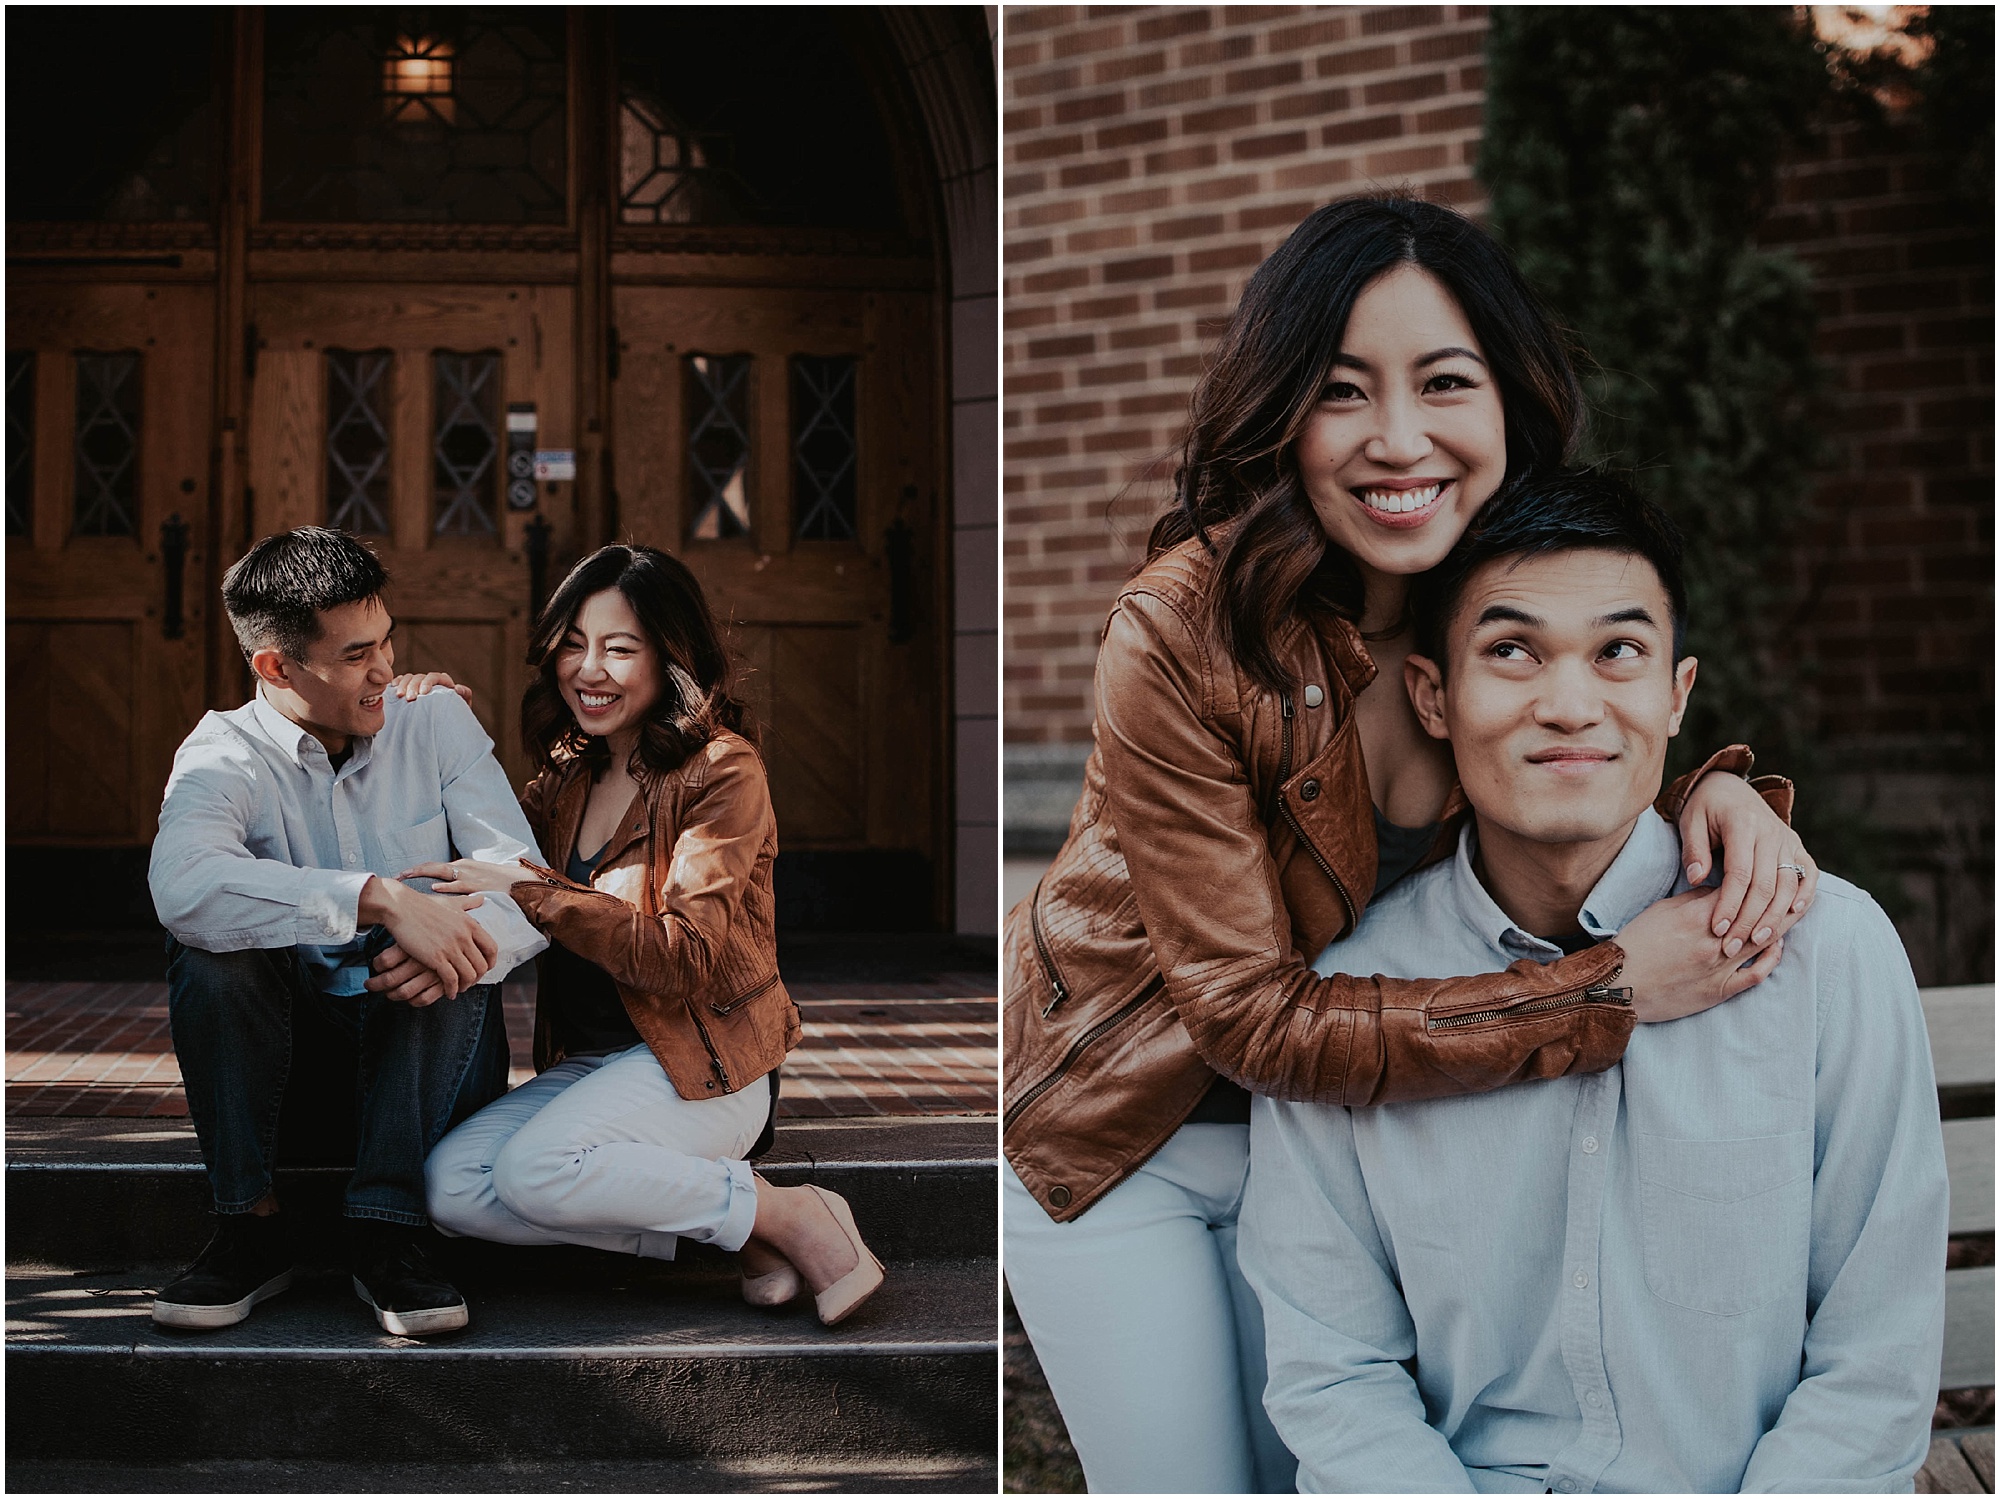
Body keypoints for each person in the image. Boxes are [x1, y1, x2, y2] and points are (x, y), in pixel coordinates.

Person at [1002, 196, 1819, 1494]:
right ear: (1282, 413)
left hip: (1347, 1152)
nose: (1397, 438)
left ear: (1509, 400)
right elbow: (1250, 1019)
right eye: (1342, 390)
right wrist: (1604, 990)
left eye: (1444, 381)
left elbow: (1581, 740)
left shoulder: (1493, 596)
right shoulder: (1181, 632)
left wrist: (1710, 796)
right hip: (1124, 1138)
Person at [1244, 469, 1948, 1493]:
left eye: (1617, 651)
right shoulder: (1355, 998)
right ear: (1432, 696)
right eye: (1511, 651)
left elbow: (1873, 1359)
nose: (1570, 706)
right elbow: (1333, 1371)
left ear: (1676, 693)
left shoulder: (1824, 952)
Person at [403, 544, 884, 1325]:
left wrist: (537, 891)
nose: (588, 669)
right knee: (450, 1187)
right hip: (594, 1067)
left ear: (671, 656)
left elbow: (684, 955)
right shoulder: (568, 774)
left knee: (532, 1170)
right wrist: (428, 722)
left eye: (620, 649)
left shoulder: (722, 770)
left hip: (704, 1066)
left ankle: (793, 1213)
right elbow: (480, 855)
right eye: (573, 644)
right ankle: (745, 1225)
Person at [148, 526, 548, 1336]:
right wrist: (376, 897)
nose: (386, 670)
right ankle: (249, 1226)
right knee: (212, 953)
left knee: (446, 941)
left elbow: (523, 881)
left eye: (388, 641)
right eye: (358, 654)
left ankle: (389, 1231)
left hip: (431, 1068)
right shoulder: (222, 751)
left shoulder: (433, 720)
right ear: (276, 667)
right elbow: (183, 885)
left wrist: (445, 934)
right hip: (289, 1080)